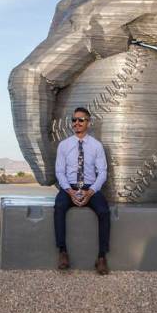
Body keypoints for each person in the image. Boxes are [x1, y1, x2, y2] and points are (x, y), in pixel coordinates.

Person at [53, 107, 110, 275]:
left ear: (88, 123)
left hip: (90, 187)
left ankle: (101, 257)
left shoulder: (96, 146)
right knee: (59, 207)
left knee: (104, 211)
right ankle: (62, 252)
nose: (76, 123)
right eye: (74, 120)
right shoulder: (64, 145)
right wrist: (69, 191)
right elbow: (59, 172)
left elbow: (103, 172)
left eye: (81, 120)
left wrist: (90, 192)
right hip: (69, 187)